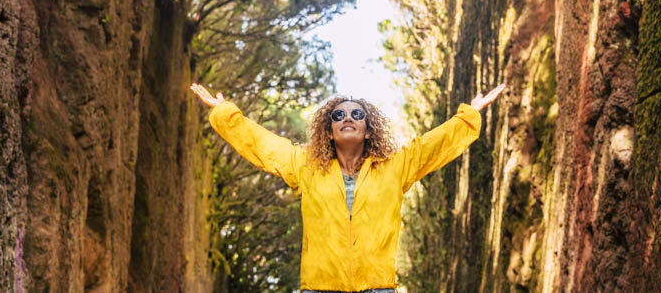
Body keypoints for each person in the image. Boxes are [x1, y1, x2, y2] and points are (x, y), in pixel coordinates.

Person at [190, 82, 506, 293]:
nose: (348, 118)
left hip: (378, 289)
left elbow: (433, 146)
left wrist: (469, 115)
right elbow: (262, 145)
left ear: (369, 130)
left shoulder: (395, 167)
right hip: (318, 289)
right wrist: (225, 114)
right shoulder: (306, 167)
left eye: (357, 114)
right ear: (328, 132)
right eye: (338, 115)